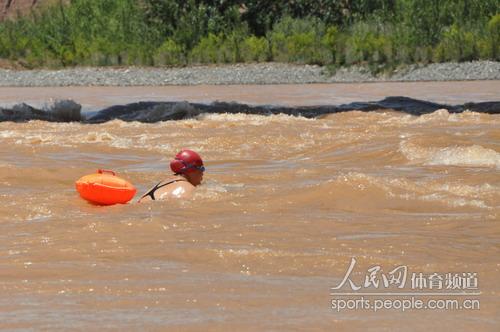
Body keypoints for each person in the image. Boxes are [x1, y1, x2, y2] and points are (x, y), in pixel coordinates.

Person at [138, 149, 205, 202]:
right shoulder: (187, 188)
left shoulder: (164, 182)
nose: (203, 173)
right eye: (201, 168)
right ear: (192, 170)